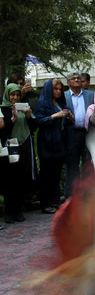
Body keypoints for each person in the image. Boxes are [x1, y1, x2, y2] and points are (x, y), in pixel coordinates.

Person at [0, 84, 37, 223]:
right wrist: (13, 119)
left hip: (23, 148)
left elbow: (33, 127)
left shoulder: (23, 107)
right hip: (8, 149)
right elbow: (2, 131)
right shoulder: (3, 109)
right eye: (12, 95)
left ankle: (18, 211)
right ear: (7, 95)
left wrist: (28, 116)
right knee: (9, 181)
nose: (15, 98)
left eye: (17, 95)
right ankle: (9, 213)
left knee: (20, 181)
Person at [34, 78, 72, 213]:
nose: (58, 91)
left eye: (60, 89)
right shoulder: (42, 104)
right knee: (46, 175)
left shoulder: (61, 103)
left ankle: (55, 201)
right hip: (47, 143)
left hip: (59, 143)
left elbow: (63, 124)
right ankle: (45, 204)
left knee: (56, 174)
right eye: (55, 89)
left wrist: (68, 117)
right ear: (49, 90)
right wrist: (55, 115)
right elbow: (38, 121)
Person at [64, 71, 94, 198]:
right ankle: (72, 196)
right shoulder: (64, 96)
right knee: (72, 166)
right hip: (71, 134)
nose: (77, 80)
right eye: (73, 78)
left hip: (87, 134)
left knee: (87, 165)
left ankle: (88, 196)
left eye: (78, 78)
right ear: (68, 82)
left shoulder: (90, 95)